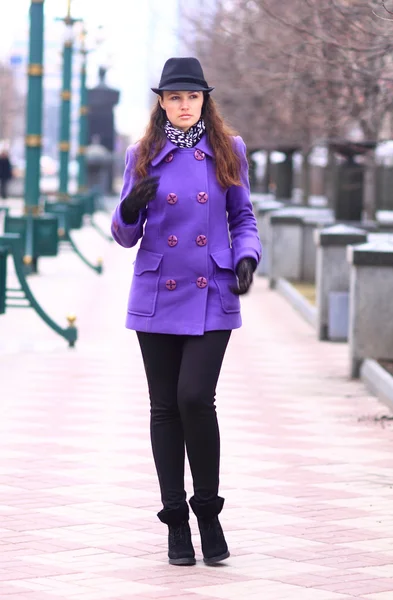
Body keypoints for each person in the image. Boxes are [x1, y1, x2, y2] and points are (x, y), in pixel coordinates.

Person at [111, 57, 261, 567]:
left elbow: (242, 217)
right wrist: (131, 208)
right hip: (157, 291)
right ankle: (175, 522)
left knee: (196, 397)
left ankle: (208, 511)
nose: (182, 104)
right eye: (174, 97)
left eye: (191, 96)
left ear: (204, 101)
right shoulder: (141, 153)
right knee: (164, 407)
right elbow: (125, 233)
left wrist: (246, 258)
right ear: (161, 101)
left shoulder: (228, 149)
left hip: (211, 289)